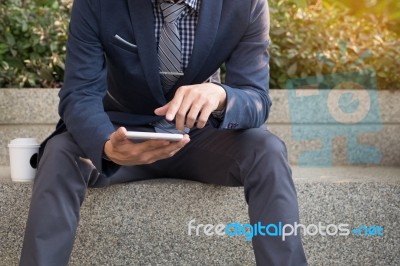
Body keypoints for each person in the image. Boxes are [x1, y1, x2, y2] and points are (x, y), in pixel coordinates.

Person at [20, 0, 307, 265]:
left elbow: (256, 99)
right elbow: (79, 94)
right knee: (60, 152)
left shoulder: (246, 4)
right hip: (119, 133)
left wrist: (220, 95)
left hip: (200, 136)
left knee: (266, 149)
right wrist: (107, 145)